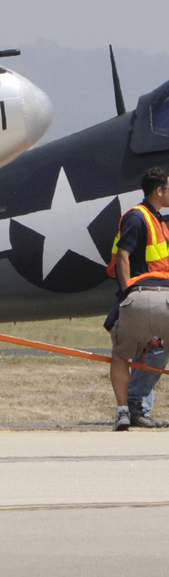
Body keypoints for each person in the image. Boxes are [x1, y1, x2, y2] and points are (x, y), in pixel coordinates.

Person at [107, 167, 169, 430]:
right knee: (151, 349)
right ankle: (133, 406)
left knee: (131, 352)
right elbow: (123, 256)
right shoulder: (138, 217)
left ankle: (130, 408)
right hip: (145, 295)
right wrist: (127, 292)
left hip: (151, 298)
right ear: (159, 190)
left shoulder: (159, 220)